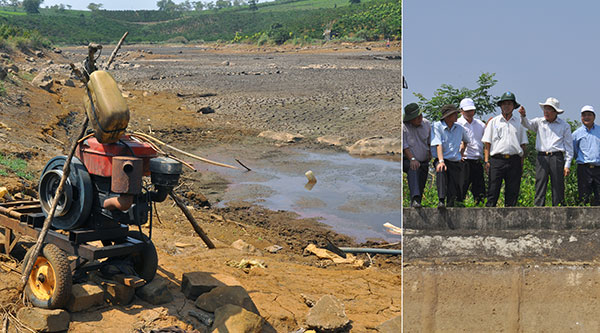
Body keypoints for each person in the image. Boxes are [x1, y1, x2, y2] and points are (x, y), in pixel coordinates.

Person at [519, 97, 573, 206]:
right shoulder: (539, 122)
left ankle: (558, 209)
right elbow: (527, 124)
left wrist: (567, 164)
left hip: (556, 157)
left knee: (558, 185)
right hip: (541, 157)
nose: (546, 112)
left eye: (549, 109)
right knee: (540, 183)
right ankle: (538, 209)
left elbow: (569, 147)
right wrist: (523, 115)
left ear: (555, 112)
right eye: (545, 109)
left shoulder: (564, 126)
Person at [482, 92, 528, 207]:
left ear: (513, 106)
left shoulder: (519, 123)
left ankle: (510, 218)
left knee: (512, 191)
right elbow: (487, 143)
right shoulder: (494, 122)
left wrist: (522, 164)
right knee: (493, 189)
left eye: (509, 103)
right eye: (504, 104)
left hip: (514, 160)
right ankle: (489, 215)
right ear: (500, 106)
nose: (506, 106)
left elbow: (523, 145)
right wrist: (487, 161)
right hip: (497, 160)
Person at [430, 104, 469, 207]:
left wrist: (461, 154)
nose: (457, 115)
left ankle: (451, 203)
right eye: (454, 114)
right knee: (441, 171)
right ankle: (441, 200)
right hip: (441, 158)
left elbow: (466, 141)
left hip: (455, 160)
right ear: (447, 116)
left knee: (453, 185)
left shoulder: (460, 128)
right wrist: (441, 161)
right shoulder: (437, 126)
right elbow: (438, 144)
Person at [457, 98, 486, 204]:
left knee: (480, 190)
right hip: (464, 160)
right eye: (467, 111)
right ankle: (458, 207)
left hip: (477, 160)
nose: (470, 113)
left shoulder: (480, 125)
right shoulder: (457, 124)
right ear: (461, 111)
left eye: (471, 110)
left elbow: (487, 141)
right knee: (461, 188)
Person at [402, 103, 431, 208]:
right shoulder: (404, 128)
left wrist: (430, 154)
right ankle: (415, 199)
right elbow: (405, 146)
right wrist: (412, 159)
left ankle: (416, 201)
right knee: (413, 169)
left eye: (420, 115)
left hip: (423, 159)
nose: (420, 118)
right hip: (408, 159)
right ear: (410, 119)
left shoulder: (427, 124)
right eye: (416, 117)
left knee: (422, 179)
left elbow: (429, 141)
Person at [572, 105, 600, 205]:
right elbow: (574, 151)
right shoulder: (576, 134)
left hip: (598, 168)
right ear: (581, 117)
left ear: (594, 117)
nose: (586, 117)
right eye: (584, 115)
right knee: (583, 197)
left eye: (589, 115)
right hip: (583, 168)